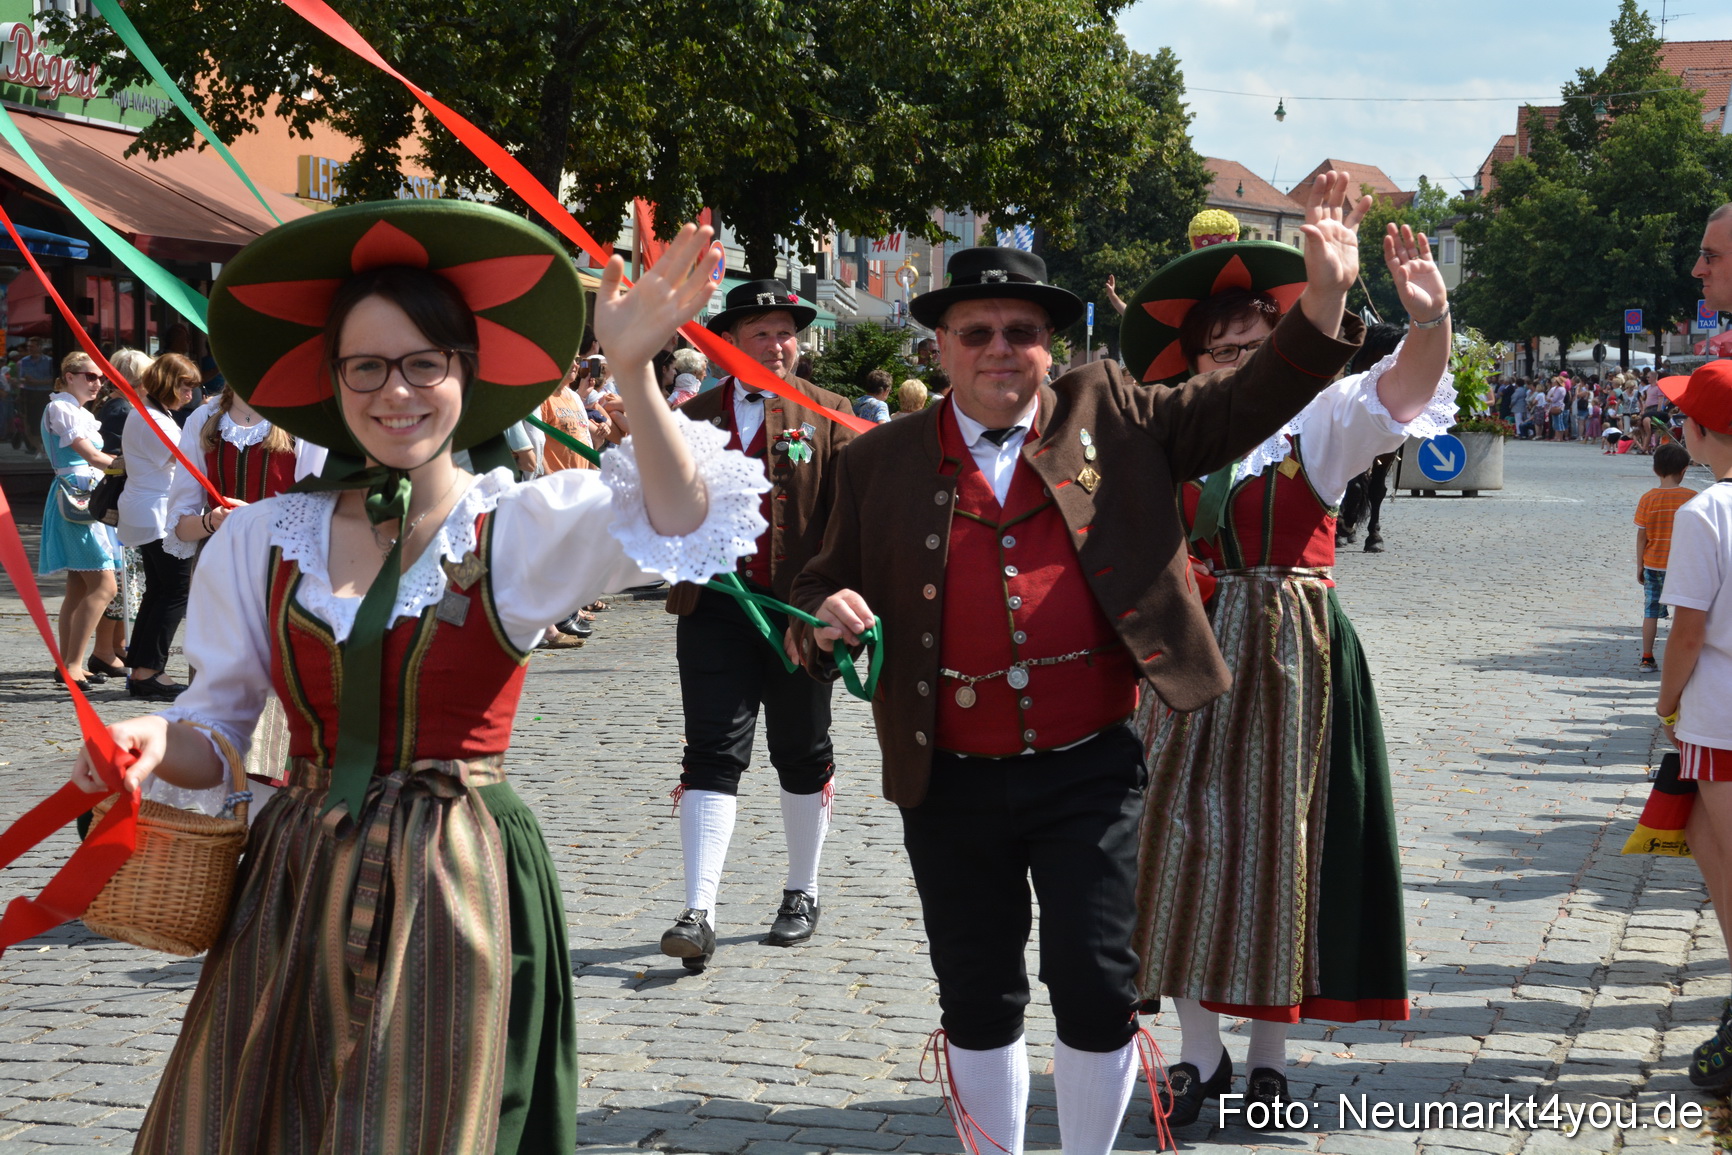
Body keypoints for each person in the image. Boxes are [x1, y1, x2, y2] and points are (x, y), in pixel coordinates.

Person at [68, 202, 767, 1153]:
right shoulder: (261, 539)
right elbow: (220, 732)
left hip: (459, 875)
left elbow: (683, 521)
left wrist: (635, 370)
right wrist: (151, 745)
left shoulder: (513, 528)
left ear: (464, 375)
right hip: (298, 877)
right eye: (367, 365)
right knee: (266, 1111)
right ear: (334, 379)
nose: (396, 391)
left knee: (438, 1113)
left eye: (422, 363)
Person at [793, 174, 1373, 1155]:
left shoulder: (1111, 413)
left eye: (1019, 332)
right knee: (978, 993)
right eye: (974, 332)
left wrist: (1321, 302)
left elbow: (1241, 401)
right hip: (948, 776)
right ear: (939, 346)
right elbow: (806, 588)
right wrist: (821, 616)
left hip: (1087, 764)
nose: (998, 352)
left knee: (1100, 985)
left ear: (1048, 347)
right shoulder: (875, 462)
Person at [1126, 209, 1454, 1125]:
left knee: (1277, 843)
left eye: (1250, 339)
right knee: (1171, 841)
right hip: (1183, 648)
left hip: (1286, 650)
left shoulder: (1322, 421)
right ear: (1191, 362)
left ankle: (1267, 1061)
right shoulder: (1167, 433)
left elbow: (1408, 391)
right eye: (1215, 344)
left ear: (1286, 349)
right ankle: (1201, 1054)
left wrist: (1428, 319)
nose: (1231, 351)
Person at [653, 278, 859, 970]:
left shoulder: (829, 414)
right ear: (729, 344)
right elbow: (658, 508)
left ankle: (802, 890)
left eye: (787, 332)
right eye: (762, 332)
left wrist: (834, 606)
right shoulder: (694, 416)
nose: (779, 344)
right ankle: (699, 908)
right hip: (714, 607)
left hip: (801, 613)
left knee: (802, 749)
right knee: (712, 749)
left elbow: (849, 522)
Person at [1651, 361, 1732, 1091]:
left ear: (1704, 432)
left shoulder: (1705, 512)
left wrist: (1665, 700)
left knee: (1723, 853)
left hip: (1721, 711)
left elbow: (1687, 630)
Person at [117, 353, 199, 699]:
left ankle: (141, 668)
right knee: (176, 591)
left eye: (193, 386)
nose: (190, 394)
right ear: (167, 382)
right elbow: (184, 461)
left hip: (147, 509)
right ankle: (148, 671)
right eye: (185, 385)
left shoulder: (149, 414)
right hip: (155, 512)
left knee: (160, 591)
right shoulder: (154, 419)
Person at [36, 351, 120, 690]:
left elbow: (95, 458)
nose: (97, 382)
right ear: (69, 375)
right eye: (90, 375)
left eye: (100, 377)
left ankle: (70, 664)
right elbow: (92, 456)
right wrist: (135, 465)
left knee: (79, 585)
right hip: (76, 496)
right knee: (104, 585)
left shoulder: (78, 411)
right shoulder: (60, 408)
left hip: (87, 496)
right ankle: (71, 664)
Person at [1635, 442, 1697, 671]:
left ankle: (1647, 657)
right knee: (1684, 612)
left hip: (1654, 564)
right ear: (1684, 470)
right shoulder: (1692, 497)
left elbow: (1642, 536)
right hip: (1684, 567)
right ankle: (1682, 660)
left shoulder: (1647, 499)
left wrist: (1640, 565)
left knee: (1650, 611)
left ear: (1655, 470)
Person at [16, 336, 55, 454]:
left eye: (32, 346)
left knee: (46, 421)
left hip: (44, 393)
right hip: (29, 393)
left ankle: (46, 448)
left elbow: (53, 379)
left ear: (39, 347)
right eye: (28, 346)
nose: (29, 349)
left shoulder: (49, 361)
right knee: (30, 422)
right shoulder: (24, 361)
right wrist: (23, 380)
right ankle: (39, 449)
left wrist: (37, 382)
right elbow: (21, 377)